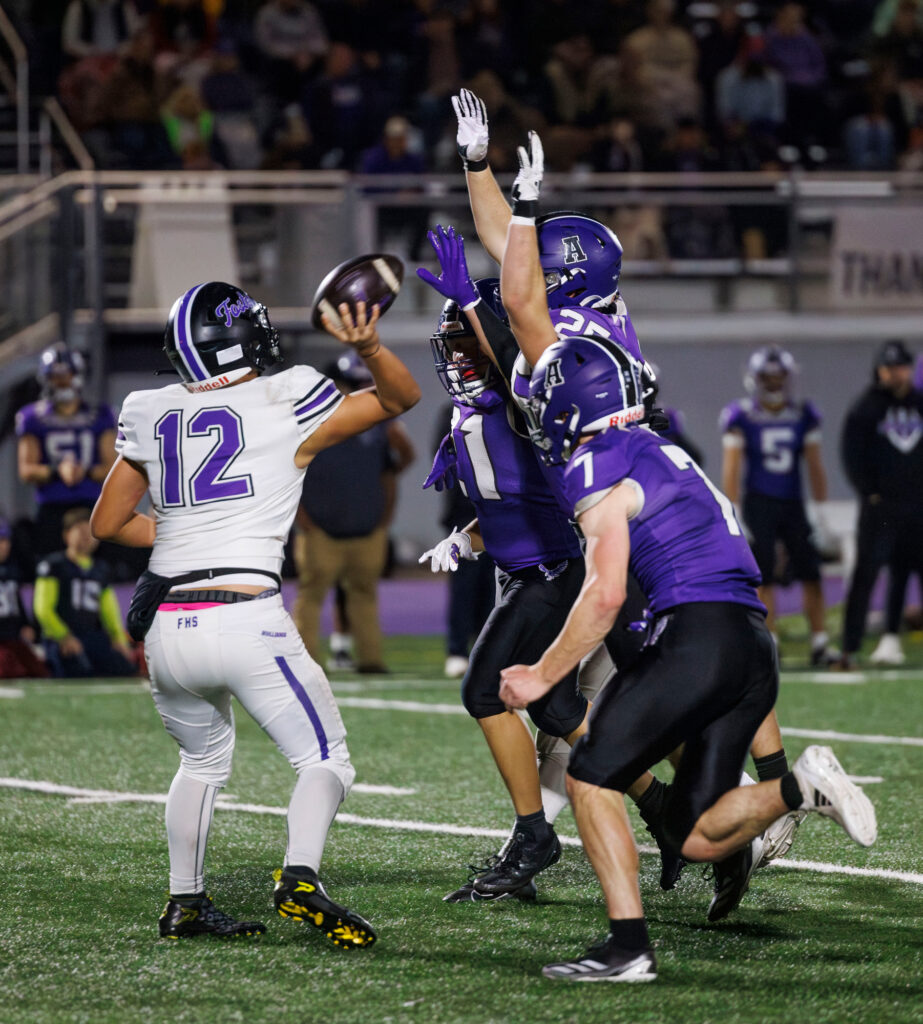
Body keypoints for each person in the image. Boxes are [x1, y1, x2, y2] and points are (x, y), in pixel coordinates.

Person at [496, 131, 877, 982]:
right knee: (702, 835)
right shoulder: (667, 452)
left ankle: (627, 949)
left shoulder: (601, 461)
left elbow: (601, 597)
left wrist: (541, 675)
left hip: (697, 636)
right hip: (750, 644)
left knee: (591, 772)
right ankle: (794, 788)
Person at [450, 88, 807, 901]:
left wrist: (519, 197)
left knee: (645, 690)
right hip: (618, 511)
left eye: (542, 258)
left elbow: (515, 289)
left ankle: (707, 821)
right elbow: (511, 256)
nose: (525, 258)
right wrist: (479, 167)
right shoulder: (592, 315)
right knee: (655, 691)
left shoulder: (572, 336)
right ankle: (711, 818)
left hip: (617, 522)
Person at [89, 280, 420, 941]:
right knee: (325, 758)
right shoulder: (284, 394)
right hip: (244, 614)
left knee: (201, 765)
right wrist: (371, 346)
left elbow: (107, 523)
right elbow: (397, 399)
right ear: (244, 338)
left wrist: (191, 536)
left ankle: (185, 902)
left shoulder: (148, 408)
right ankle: (300, 875)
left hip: (168, 629)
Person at [417, 273, 591, 902]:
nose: (457, 353)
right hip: (522, 573)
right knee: (556, 710)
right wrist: (464, 538)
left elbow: (513, 355)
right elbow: (506, 507)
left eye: (468, 340)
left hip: (552, 572)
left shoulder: (526, 402)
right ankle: (664, 808)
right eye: (450, 343)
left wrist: (475, 305)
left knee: (484, 691)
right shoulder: (470, 415)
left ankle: (533, 835)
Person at [293, 350, 415, 674]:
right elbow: (286, 474)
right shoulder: (304, 421)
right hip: (320, 529)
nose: (358, 390)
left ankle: (371, 660)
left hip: (366, 528)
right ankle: (305, 662)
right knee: (311, 597)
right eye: (352, 383)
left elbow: (392, 469)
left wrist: (383, 518)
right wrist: (303, 519)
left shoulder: (377, 425)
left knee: (364, 596)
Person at [720, 346, 838, 665]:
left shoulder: (804, 414)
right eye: (768, 378)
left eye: (778, 377)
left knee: (811, 571)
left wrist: (822, 512)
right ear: (756, 379)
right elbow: (732, 468)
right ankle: (770, 641)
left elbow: (815, 466)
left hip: (793, 503)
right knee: (764, 576)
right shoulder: (741, 415)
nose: (773, 384)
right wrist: (735, 512)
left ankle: (820, 641)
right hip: (759, 503)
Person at [838, 339, 923, 669]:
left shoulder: (919, 403)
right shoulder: (866, 407)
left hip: (917, 507)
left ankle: (891, 637)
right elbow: (851, 454)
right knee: (867, 574)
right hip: (880, 508)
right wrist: (868, 491)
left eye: (901, 367)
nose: (895, 374)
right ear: (879, 371)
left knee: (905, 572)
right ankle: (849, 647)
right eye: (889, 369)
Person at [16, 344, 117, 560]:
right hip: (53, 509)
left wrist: (85, 471)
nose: (61, 382)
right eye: (55, 376)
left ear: (77, 375)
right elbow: (26, 470)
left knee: (98, 571)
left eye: (66, 375)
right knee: (51, 571)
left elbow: (113, 467)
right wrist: (56, 471)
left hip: (92, 505)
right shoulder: (31, 417)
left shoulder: (101, 414)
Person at [429, 400, 496, 679]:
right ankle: (457, 650)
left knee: (497, 587)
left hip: (505, 509)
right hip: (467, 509)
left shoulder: (507, 404)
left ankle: (488, 651)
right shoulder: (453, 411)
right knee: (465, 585)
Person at [33, 508, 135, 679]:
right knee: (76, 670)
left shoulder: (100, 570)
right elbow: (43, 609)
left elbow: (109, 610)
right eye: (80, 531)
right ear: (66, 535)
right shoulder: (53, 566)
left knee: (123, 668)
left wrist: (119, 640)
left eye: (91, 532)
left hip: (92, 637)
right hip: (61, 639)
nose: (86, 537)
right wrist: (63, 636)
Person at [0, 516, 48, 679]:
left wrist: (25, 625)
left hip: (12, 637)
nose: (4, 545)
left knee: (39, 670)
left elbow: (17, 603)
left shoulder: (11, 571)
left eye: (6, 540)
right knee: (8, 670)